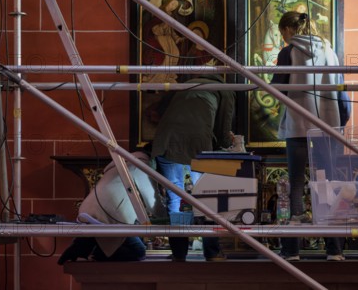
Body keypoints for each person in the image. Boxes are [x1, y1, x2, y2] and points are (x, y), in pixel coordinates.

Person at [271, 11, 351, 262]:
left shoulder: (288, 52)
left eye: (283, 33)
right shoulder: (330, 51)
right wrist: (338, 123)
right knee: (326, 187)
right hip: (327, 129)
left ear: (288, 30)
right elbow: (342, 94)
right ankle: (335, 251)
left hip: (297, 127)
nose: (283, 38)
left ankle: (292, 251)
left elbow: (278, 86)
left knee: (295, 186)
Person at [152, 74, 235, 261]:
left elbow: (159, 113)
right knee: (206, 199)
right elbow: (223, 129)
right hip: (198, 143)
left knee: (175, 198)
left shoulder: (183, 86)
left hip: (166, 141)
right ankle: (212, 253)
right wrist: (226, 144)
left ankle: (179, 254)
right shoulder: (225, 89)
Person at [57, 151, 167, 264]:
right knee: (138, 252)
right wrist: (169, 214)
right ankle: (95, 253)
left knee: (105, 236)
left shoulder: (122, 161)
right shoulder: (141, 165)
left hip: (91, 209)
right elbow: (153, 204)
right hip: (109, 215)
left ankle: (84, 244)